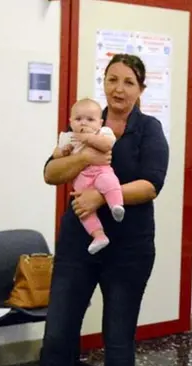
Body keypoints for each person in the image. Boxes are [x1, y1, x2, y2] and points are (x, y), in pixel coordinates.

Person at [25, 53, 169, 366]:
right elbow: (51, 173)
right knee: (57, 335)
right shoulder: (86, 122)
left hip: (129, 248)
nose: (118, 89)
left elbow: (152, 184)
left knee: (118, 339)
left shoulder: (149, 130)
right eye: (111, 79)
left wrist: (99, 196)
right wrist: (84, 158)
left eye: (127, 82)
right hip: (77, 244)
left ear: (141, 89)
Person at [57, 97, 124, 254]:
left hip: (100, 172)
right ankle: (98, 235)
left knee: (109, 182)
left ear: (100, 123)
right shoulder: (69, 137)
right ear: (70, 121)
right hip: (82, 180)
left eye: (90, 119)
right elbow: (55, 158)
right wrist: (63, 151)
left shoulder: (103, 132)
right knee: (82, 209)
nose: (83, 123)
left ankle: (116, 205)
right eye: (78, 119)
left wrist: (88, 138)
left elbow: (107, 145)